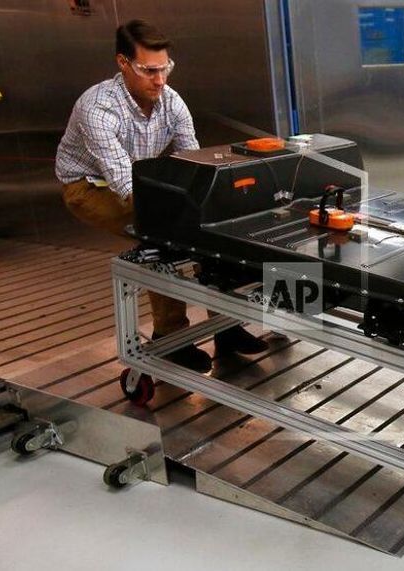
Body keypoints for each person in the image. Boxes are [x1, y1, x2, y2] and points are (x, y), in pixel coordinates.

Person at [55, 20, 268, 372]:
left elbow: (195, 163)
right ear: (123, 63)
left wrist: (212, 208)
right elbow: (124, 184)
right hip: (89, 186)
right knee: (161, 234)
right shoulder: (98, 108)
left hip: (146, 178)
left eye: (165, 68)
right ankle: (170, 340)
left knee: (206, 227)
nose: (160, 80)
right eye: (149, 70)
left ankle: (227, 327)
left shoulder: (170, 101)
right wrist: (181, 217)